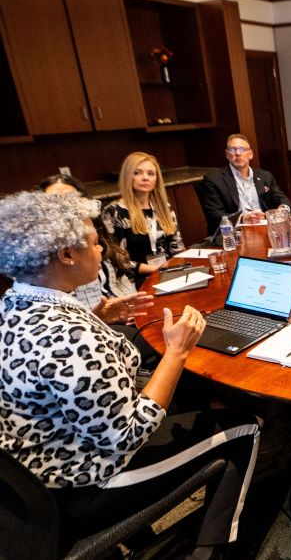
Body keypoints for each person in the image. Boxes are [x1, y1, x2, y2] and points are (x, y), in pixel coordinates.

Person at [0, 191, 260, 557]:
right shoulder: (72, 338)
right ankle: (217, 551)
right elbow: (128, 434)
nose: (102, 250)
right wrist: (177, 351)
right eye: (93, 242)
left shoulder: (13, 305)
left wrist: (98, 316)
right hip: (82, 486)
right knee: (244, 426)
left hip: (32, 482)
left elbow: (54, 363)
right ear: (66, 255)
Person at [36, 174, 152, 322]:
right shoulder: (47, 259)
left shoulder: (94, 232)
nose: (66, 206)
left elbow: (120, 275)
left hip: (123, 311)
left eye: (72, 198)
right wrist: (103, 317)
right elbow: (68, 315)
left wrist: (133, 306)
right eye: (56, 201)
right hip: (94, 321)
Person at [102, 152, 184, 284]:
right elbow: (118, 260)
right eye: (137, 173)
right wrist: (156, 268)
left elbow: (177, 247)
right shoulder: (113, 212)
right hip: (136, 280)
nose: (145, 178)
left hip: (169, 272)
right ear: (127, 176)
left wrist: (180, 267)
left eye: (151, 173)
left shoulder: (164, 207)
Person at [200, 133, 291, 234]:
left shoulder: (265, 176)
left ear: (250, 154)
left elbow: (283, 199)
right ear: (227, 155)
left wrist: (282, 210)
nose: (238, 153)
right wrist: (242, 218)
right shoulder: (214, 180)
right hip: (236, 233)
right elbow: (214, 214)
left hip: (266, 228)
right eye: (232, 149)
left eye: (242, 149)